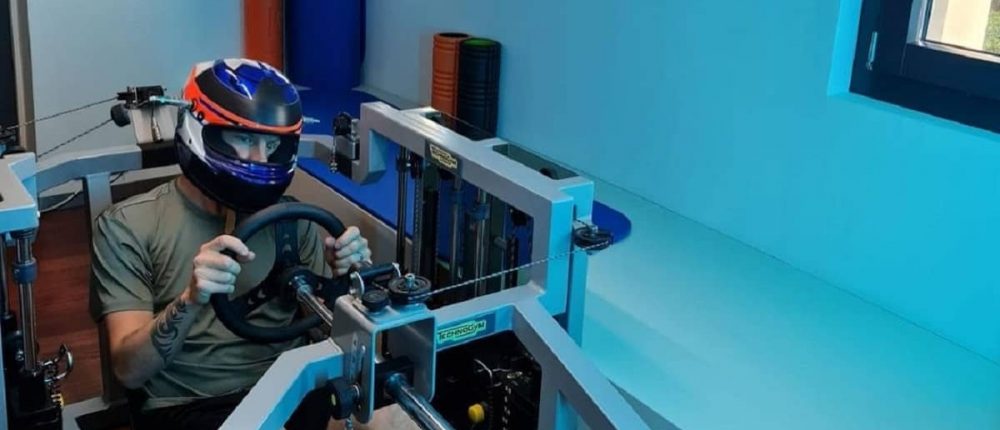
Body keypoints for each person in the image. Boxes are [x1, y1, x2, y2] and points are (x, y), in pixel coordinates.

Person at [89, 58, 372, 430]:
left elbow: (324, 329)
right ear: (200, 130)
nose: (260, 159)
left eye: (271, 144)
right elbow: (129, 370)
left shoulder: (291, 219)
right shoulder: (128, 225)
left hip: (294, 387)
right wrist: (191, 299)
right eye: (244, 139)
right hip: (194, 406)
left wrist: (346, 280)